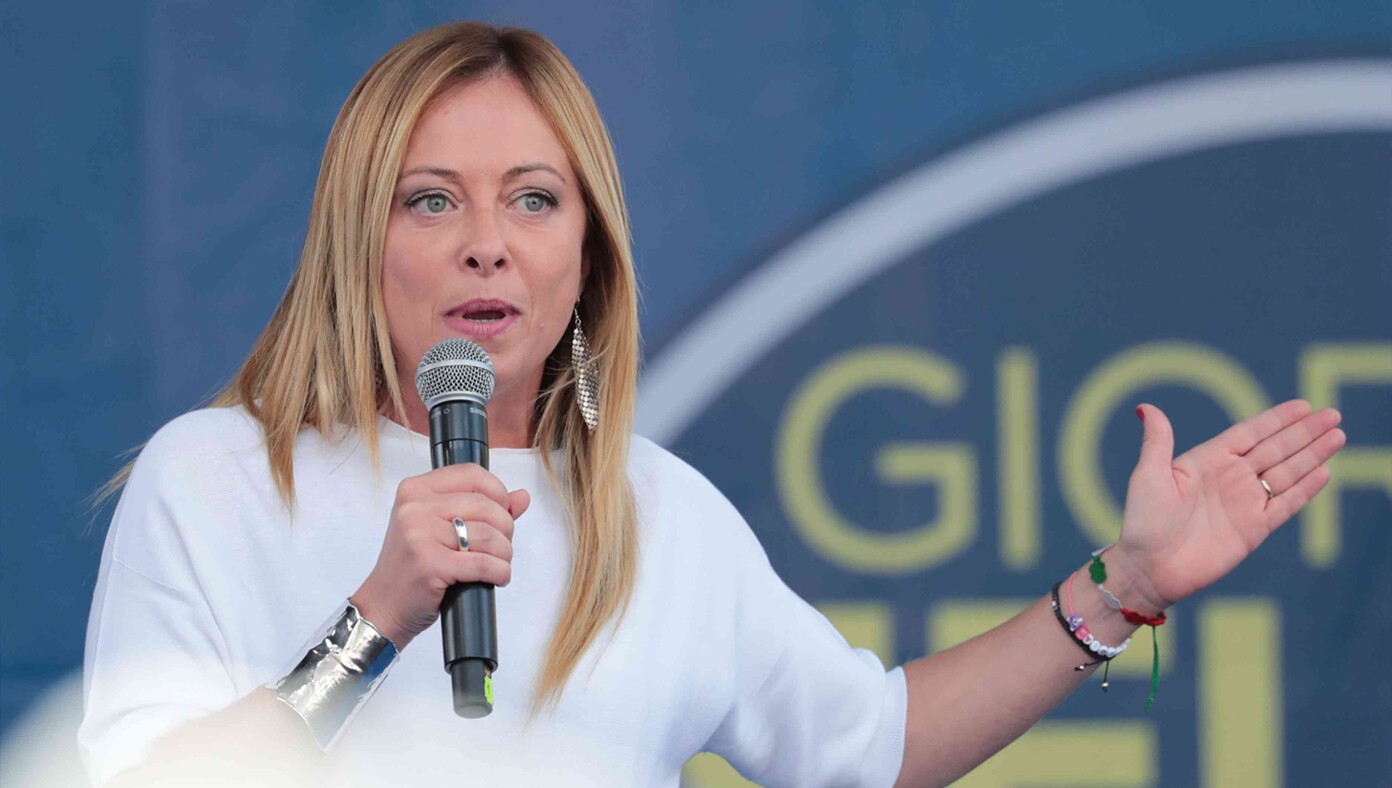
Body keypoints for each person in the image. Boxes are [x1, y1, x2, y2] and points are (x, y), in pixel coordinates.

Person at [76, 21, 1347, 788]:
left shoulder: (657, 512)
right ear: (360, 240)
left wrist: (1122, 587)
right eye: (430, 199)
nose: (486, 242)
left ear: (588, 255)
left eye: (533, 198)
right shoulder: (220, 475)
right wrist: (374, 620)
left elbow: (870, 746)